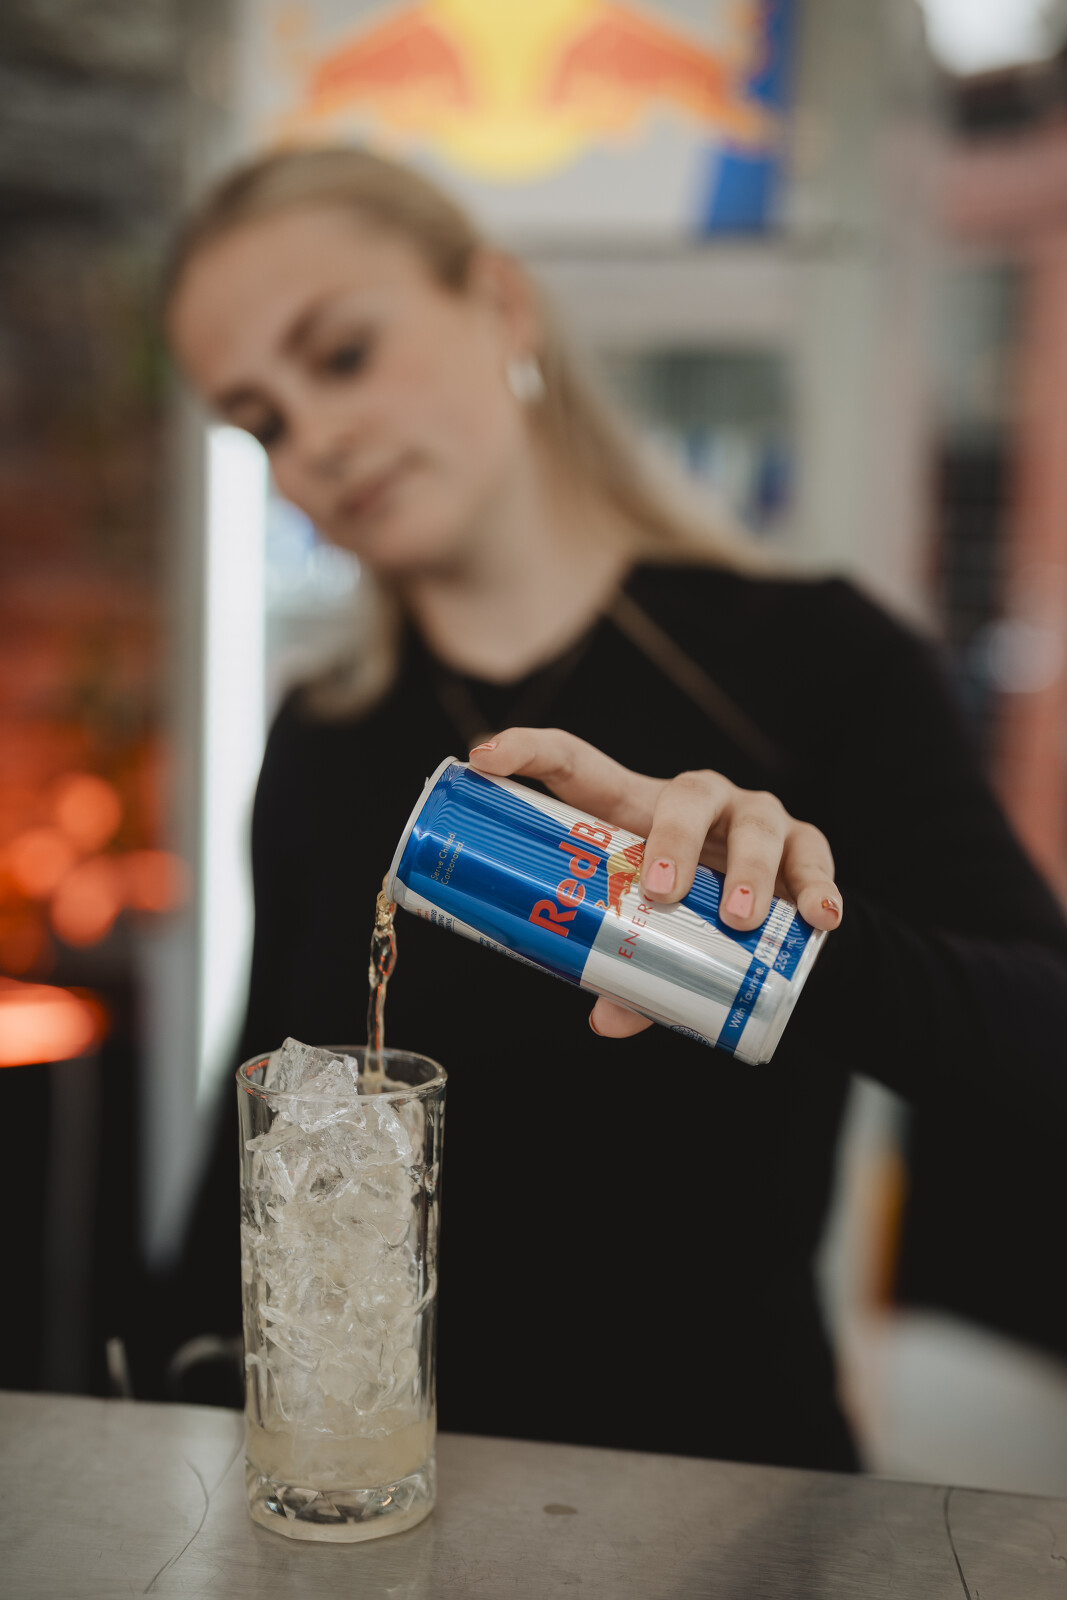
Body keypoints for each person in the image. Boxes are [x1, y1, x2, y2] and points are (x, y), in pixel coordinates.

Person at [164, 145, 1067, 1472]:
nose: (318, 442)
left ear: (500, 304)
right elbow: (258, 1127)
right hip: (388, 1497)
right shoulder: (322, 738)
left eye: (343, 355)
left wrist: (783, 939)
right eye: (264, 423)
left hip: (729, 1502)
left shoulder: (820, 662)